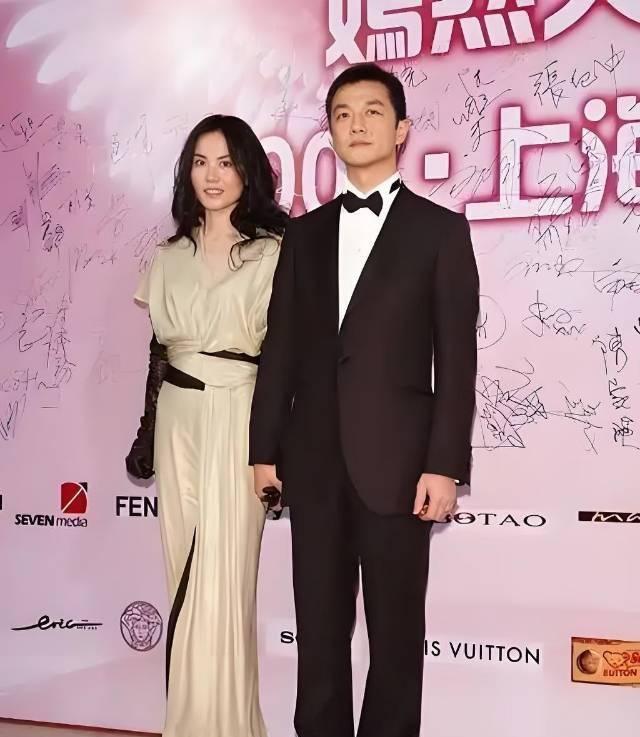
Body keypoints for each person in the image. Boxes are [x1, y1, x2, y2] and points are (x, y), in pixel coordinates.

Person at [249, 63, 479, 737]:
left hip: (403, 468)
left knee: (396, 640)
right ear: (330, 131)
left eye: (373, 112)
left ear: (401, 129)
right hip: (314, 463)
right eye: (343, 114)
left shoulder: (440, 232)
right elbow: (281, 348)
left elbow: (456, 361)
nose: (357, 125)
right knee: (319, 637)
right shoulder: (303, 235)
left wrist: (445, 464)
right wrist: (264, 448)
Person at [126, 114, 287, 737]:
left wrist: (278, 446)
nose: (212, 176)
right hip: (178, 419)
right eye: (200, 162)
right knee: (184, 575)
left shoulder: (274, 252)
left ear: (248, 171)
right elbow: (157, 352)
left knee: (226, 576)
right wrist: (146, 430)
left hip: (241, 414)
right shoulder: (167, 256)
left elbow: (286, 361)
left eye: (225, 162)